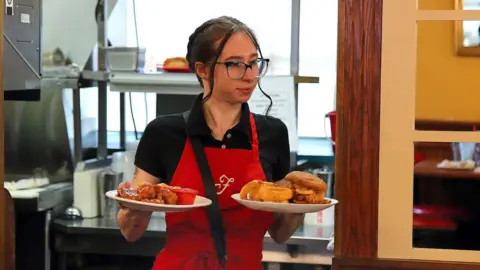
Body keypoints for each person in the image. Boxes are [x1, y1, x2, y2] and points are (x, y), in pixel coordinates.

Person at [117, 16, 304, 270]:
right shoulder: (163, 133)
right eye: (235, 64)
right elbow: (130, 233)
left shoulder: (273, 134)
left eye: (254, 63)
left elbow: (281, 234)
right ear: (202, 70)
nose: (250, 75)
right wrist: (133, 208)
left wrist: (302, 204)